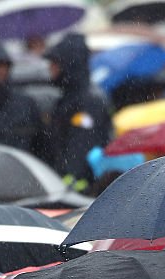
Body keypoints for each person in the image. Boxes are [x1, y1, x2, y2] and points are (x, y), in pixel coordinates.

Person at [40, 34, 112, 188]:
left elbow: (81, 146)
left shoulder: (87, 102)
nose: (50, 67)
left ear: (67, 64)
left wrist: (70, 181)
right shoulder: (67, 99)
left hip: (81, 192)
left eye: (54, 62)